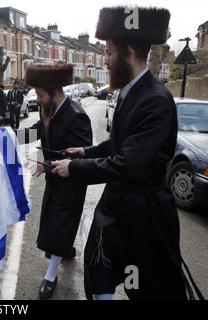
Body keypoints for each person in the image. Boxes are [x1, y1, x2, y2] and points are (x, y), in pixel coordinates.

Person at [52, 7, 189, 300]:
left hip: (143, 216)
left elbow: (129, 163)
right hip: (115, 210)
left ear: (128, 51)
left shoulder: (156, 100)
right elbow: (119, 145)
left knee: (146, 288)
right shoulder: (129, 92)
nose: (106, 58)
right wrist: (84, 152)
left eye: (110, 52)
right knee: (98, 271)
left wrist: (74, 169)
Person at [17, 64, 93, 299]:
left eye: (40, 95)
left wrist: (46, 165)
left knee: (59, 223)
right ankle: (66, 248)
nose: (37, 100)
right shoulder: (49, 111)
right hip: (54, 178)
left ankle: (51, 276)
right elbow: (36, 131)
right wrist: (7, 138)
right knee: (56, 220)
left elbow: (76, 156)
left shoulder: (77, 116)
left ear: (54, 92)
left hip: (71, 182)